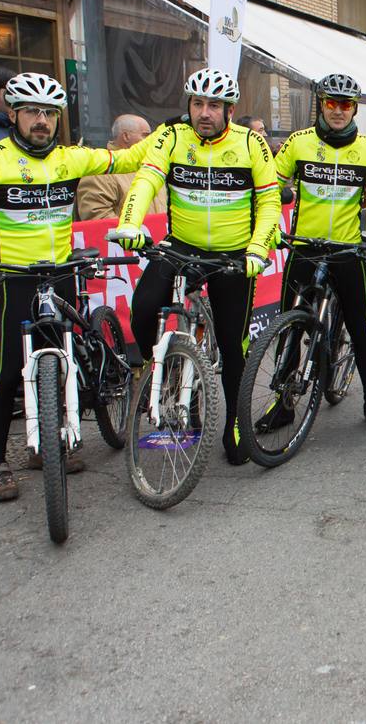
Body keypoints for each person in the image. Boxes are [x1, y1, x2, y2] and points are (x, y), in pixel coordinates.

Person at [0, 74, 150, 500]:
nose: (41, 120)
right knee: (5, 376)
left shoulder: (71, 159)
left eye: (49, 113)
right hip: (13, 279)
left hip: (60, 274)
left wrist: (176, 138)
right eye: (31, 111)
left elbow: (129, 158)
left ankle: (50, 444)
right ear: (13, 114)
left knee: (64, 364)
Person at [110, 67, 281, 466]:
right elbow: (146, 181)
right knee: (143, 309)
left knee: (234, 346)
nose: (205, 112)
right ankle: (165, 371)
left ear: (230, 110)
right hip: (180, 247)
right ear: (189, 105)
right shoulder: (170, 137)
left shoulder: (250, 144)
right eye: (198, 103)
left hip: (232, 256)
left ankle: (236, 426)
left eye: (214, 105)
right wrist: (130, 223)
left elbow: (270, 202)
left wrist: (257, 249)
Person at [270, 73, 366, 428]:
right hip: (304, 248)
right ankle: (283, 403)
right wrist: (277, 192)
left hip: (347, 252)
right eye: (331, 103)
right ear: (320, 103)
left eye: (345, 105)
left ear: (354, 108)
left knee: (359, 328)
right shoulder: (298, 143)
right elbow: (272, 182)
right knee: (288, 327)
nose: (338, 111)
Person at [75, 114, 165, 220]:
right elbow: (99, 218)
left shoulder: (152, 167)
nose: (151, 140)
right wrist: (134, 232)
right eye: (145, 135)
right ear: (126, 136)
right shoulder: (100, 171)